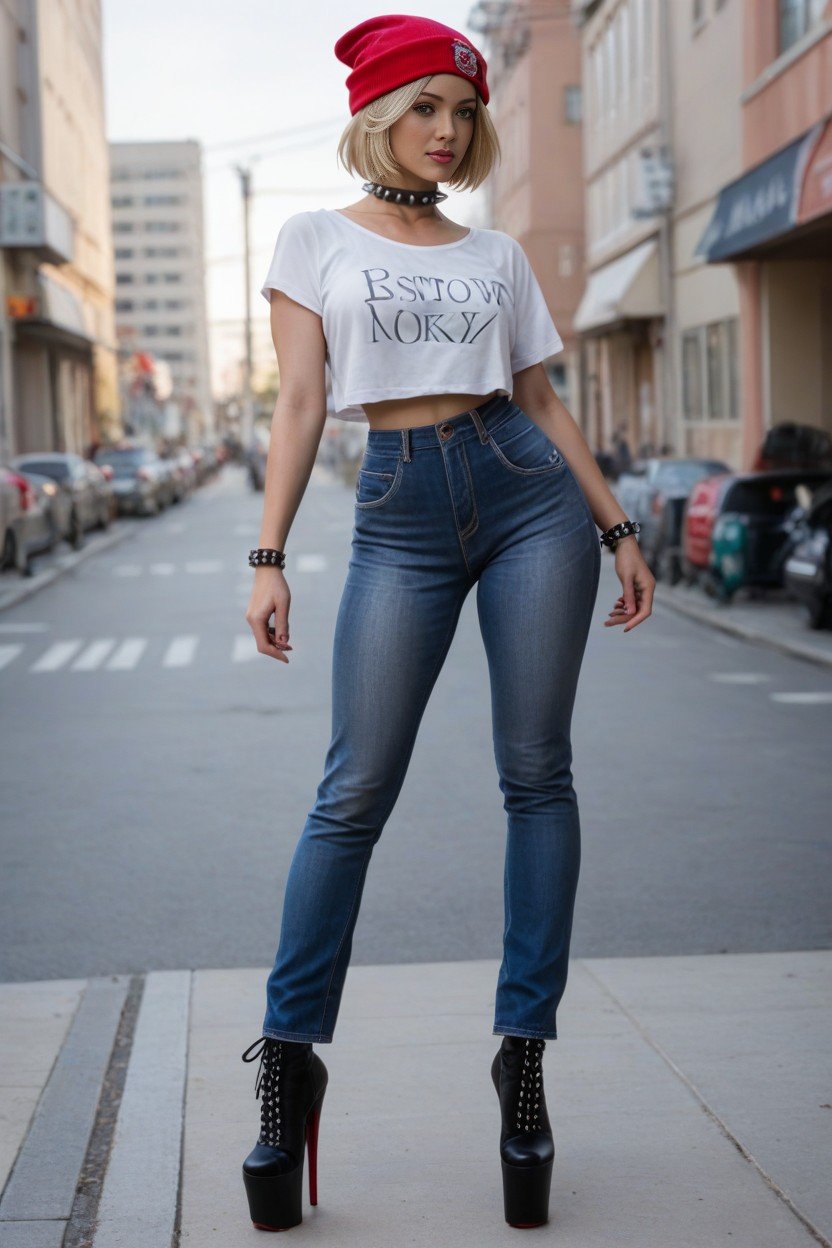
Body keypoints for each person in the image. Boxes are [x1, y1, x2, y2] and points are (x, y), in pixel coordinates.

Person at [239, 13, 655, 1233]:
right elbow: (302, 402)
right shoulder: (311, 237)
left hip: (528, 499)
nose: (446, 130)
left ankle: (522, 1055)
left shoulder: (499, 255)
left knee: (537, 776)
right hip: (399, 507)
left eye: (462, 111)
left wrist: (618, 526)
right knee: (351, 792)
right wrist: (266, 557)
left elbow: (540, 399)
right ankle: (286, 1064)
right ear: (377, 112)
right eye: (426, 107)